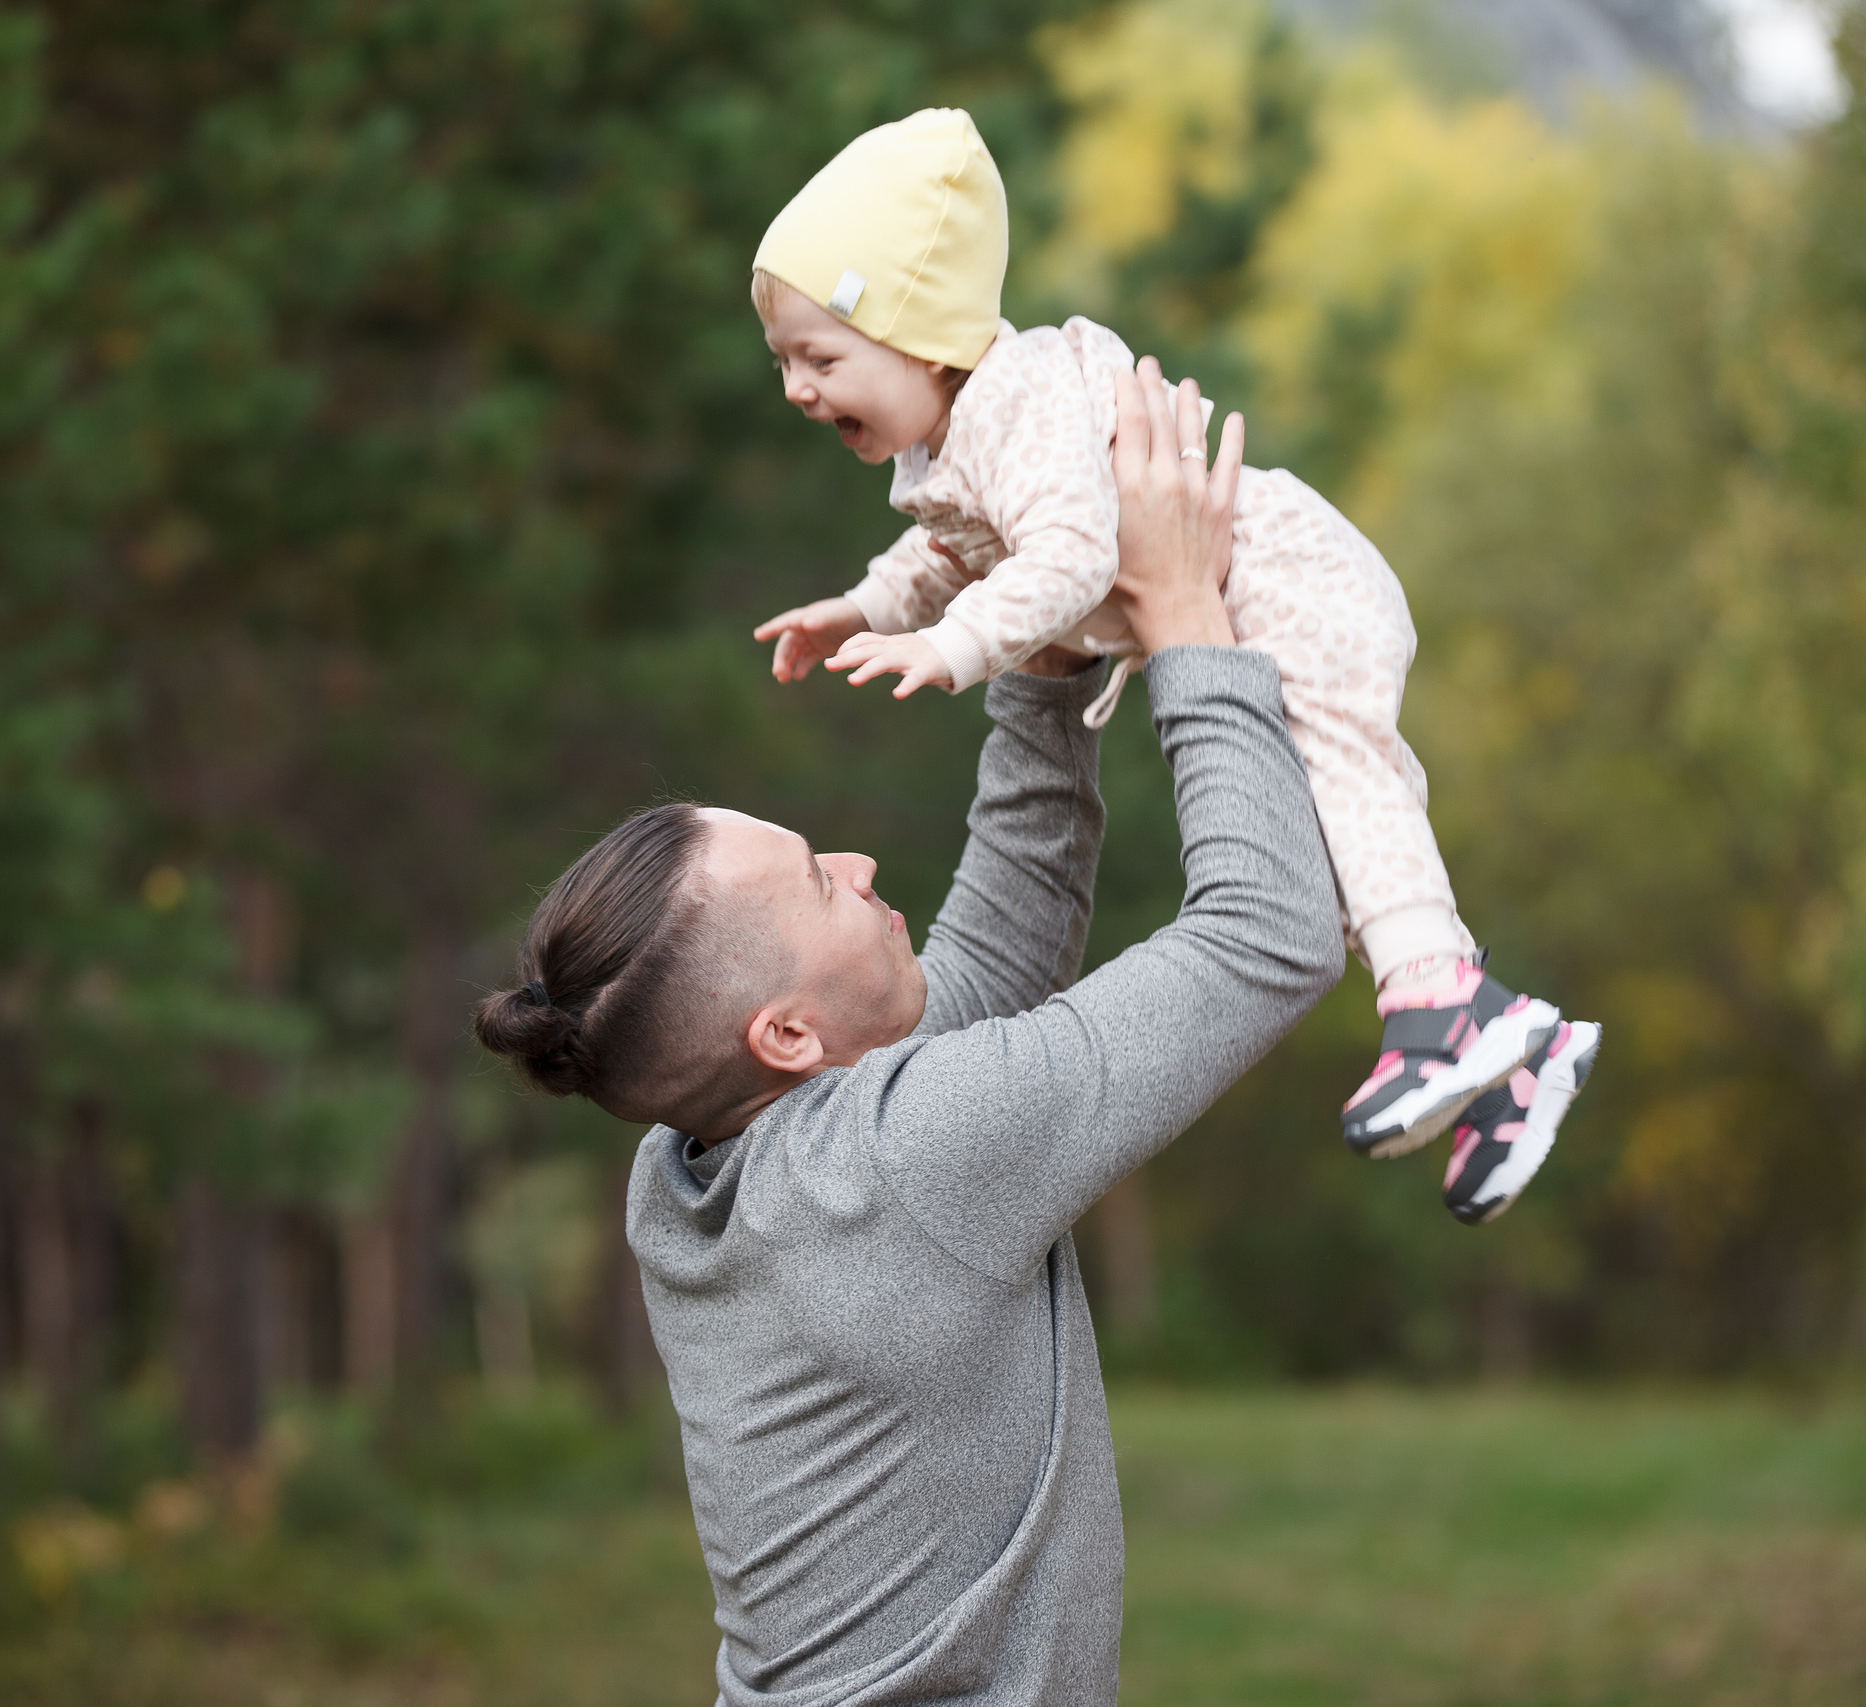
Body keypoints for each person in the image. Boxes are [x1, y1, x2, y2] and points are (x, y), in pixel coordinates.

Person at [477, 371, 1334, 1705]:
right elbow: (1270, 930)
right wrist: (1182, 616)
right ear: (786, 1031)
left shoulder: (691, 1166)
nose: (864, 859)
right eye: (822, 878)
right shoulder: (903, 1161)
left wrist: (1043, 658)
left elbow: (979, 977)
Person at [745, 108, 1598, 1221]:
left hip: (1284, 576)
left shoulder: (1020, 402)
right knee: (1335, 845)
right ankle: (1504, 1058)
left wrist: (950, 646)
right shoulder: (948, 441)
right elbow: (947, 547)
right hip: (1235, 593)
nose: (799, 390)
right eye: (783, 363)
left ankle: (1447, 1005)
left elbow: (1067, 556)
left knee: (1346, 779)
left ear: (924, 337)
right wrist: (860, 604)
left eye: (821, 358)